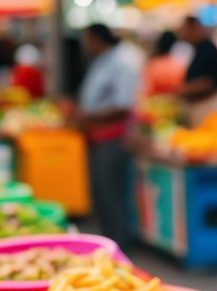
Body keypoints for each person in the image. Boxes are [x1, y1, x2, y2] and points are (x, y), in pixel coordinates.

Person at [73, 23, 140, 247]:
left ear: (96, 39)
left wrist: (89, 117)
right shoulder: (101, 62)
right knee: (101, 195)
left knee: (112, 197)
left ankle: (119, 245)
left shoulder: (121, 64)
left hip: (112, 138)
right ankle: (107, 243)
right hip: (96, 137)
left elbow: (123, 105)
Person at [177, 15, 217, 126]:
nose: (181, 32)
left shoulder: (207, 49)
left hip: (211, 106)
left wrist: (184, 90)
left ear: (193, 28)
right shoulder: (198, 48)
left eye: (184, 28)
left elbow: (209, 81)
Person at [142, 29, 187, 97]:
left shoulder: (153, 64)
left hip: (153, 103)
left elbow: (146, 88)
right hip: (174, 102)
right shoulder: (179, 65)